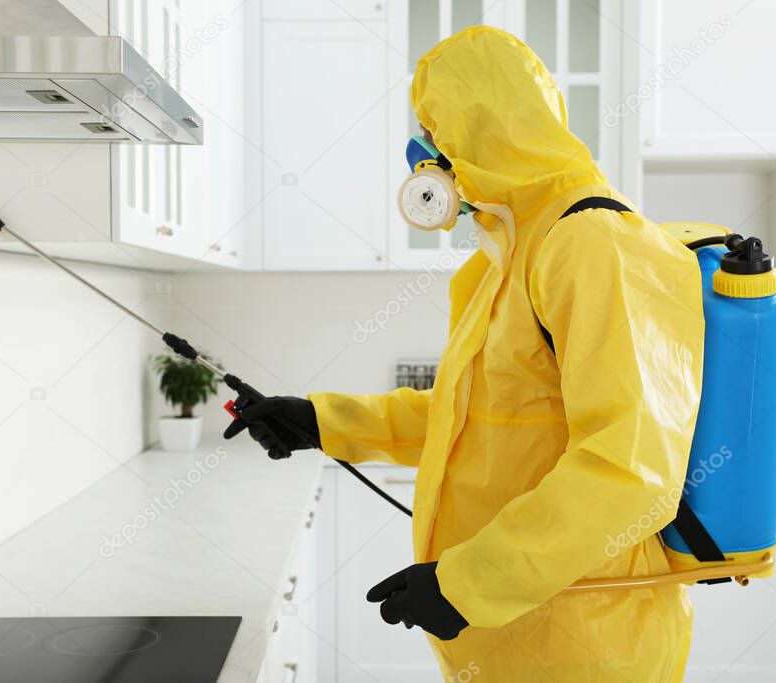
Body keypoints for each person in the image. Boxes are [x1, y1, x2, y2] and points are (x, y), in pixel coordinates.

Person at [224, 25, 705, 682]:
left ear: (477, 130)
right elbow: (471, 415)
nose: (425, 156)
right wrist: (322, 420)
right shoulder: (507, 253)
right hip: (514, 638)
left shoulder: (591, 243)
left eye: (434, 130)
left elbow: (629, 473)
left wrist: (468, 583)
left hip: (586, 648)